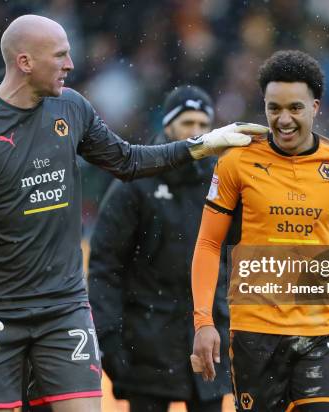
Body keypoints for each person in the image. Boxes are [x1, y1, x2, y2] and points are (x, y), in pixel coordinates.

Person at [0, 14, 268, 412]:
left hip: (64, 308)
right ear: (25, 62)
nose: (70, 64)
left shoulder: (72, 108)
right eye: (61, 55)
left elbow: (128, 161)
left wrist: (202, 145)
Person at [190, 50, 329, 411]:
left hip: (318, 334)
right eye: (274, 108)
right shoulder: (236, 162)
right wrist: (203, 322)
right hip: (253, 335)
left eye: (295, 108)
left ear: (316, 107)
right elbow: (209, 243)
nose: (284, 119)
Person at [88, 85, 232, 412]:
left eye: (202, 124)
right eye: (187, 123)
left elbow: (235, 258)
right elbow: (104, 266)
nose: (195, 132)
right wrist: (110, 339)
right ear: (168, 126)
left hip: (207, 341)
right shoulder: (136, 181)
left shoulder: (221, 182)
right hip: (145, 346)